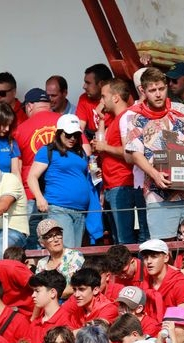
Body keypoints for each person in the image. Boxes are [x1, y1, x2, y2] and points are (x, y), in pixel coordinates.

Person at [124, 67, 184, 240]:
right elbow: (135, 154)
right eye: (152, 90)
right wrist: (154, 174)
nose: (158, 94)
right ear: (143, 91)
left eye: (161, 89)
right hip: (159, 194)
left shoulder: (181, 111)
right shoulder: (135, 117)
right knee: (164, 245)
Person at [27, 113, 99, 248]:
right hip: (58, 208)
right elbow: (32, 176)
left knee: (74, 253)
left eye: (76, 135)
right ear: (59, 133)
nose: (72, 138)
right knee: (66, 251)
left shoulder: (80, 153)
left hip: (80, 211)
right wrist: (39, 198)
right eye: (68, 134)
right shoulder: (47, 150)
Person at [92, 78, 141, 245]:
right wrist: (101, 119)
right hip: (112, 184)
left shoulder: (126, 118)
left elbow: (130, 151)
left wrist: (105, 147)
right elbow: (101, 144)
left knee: (124, 238)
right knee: (117, 239)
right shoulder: (113, 119)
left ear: (116, 97)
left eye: (104, 96)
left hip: (123, 183)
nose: (101, 101)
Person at [14, 88, 62, 248]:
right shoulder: (65, 121)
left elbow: (16, 165)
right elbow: (86, 151)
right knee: (60, 240)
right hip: (61, 192)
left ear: (29, 106)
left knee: (32, 241)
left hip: (30, 192)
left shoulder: (20, 129)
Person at [138, 238, 184, 309]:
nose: (149, 261)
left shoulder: (180, 284)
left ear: (166, 258)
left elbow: (183, 317)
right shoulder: (145, 283)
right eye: (145, 257)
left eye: (154, 257)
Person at [34, 219, 84, 292]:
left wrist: (51, 297)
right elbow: (39, 290)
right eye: (50, 236)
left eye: (58, 234)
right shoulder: (41, 263)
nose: (56, 239)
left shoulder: (75, 256)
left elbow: (73, 287)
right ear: (41, 242)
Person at [76, 63, 114, 138]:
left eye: (88, 83)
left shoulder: (115, 99)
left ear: (101, 84)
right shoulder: (84, 98)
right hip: (92, 140)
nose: (84, 86)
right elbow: (80, 128)